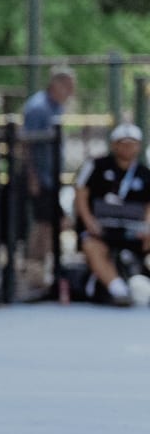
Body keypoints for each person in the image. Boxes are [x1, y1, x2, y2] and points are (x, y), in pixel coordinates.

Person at [72, 123, 150, 307]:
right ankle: (118, 289)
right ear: (114, 145)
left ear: (138, 146)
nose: (127, 148)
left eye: (132, 144)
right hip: (101, 228)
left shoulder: (145, 174)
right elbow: (80, 193)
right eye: (122, 143)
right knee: (92, 246)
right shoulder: (97, 166)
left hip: (134, 230)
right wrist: (89, 221)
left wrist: (148, 227)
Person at [22, 67, 76, 295]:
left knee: (54, 223)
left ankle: (46, 271)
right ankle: (34, 273)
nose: (72, 92)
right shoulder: (38, 107)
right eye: (69, 87)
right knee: (43, 224)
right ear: (58, 85)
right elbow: (26, 144)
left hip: (52, 177)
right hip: (40, 177)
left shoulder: (56, 107)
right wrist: (32, 176)